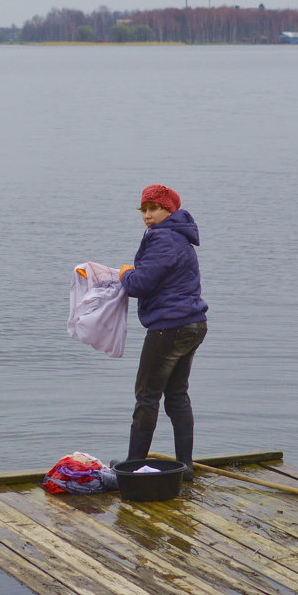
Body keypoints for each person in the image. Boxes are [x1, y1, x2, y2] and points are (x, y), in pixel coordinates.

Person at [118, 184, 208, 480]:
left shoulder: (163, 238)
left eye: (153, 209)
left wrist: (125, 274)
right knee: (177, 395)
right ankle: (186, 467)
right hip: (193, 325)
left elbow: (139, 285)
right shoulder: (180, 238)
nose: (147, 216)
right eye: (143, 210)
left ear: (170, 210)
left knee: (147, 397)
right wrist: (136, 273)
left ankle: (132, 468)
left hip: (168, 329)